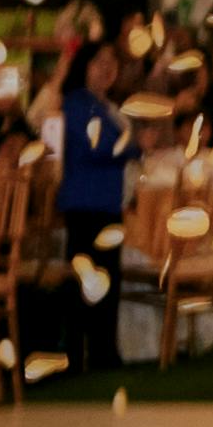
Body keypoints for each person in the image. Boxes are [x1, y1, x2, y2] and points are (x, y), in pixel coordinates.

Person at [52, 38, 133, 369]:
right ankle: (76, 352)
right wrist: (132, 144)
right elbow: (97, 146)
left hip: (106, 202)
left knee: (108, 277)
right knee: (83, 278)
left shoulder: (106, 107)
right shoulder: (75, 103)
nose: (107, 69)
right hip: (84, 203)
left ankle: (103, 350)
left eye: (111, 62)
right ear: (84, 67)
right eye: (99, 62)